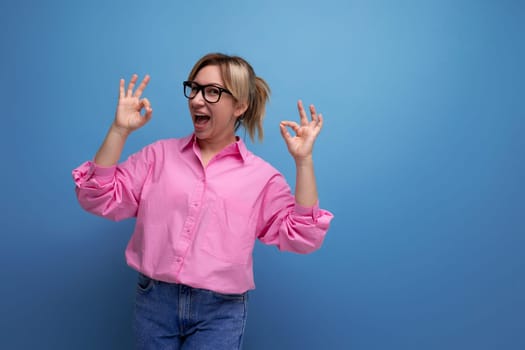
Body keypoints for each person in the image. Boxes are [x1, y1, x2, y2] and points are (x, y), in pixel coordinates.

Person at [72, 53, 333, 350]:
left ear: (240, 105)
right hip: (155, 301)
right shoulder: (158, 156)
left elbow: (304, 238)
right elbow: (95, 196)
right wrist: (119, 131)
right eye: (194, 88)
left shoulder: (262, 178)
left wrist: (304, 162)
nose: (197, 100)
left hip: (221, 311)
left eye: (212, 91)